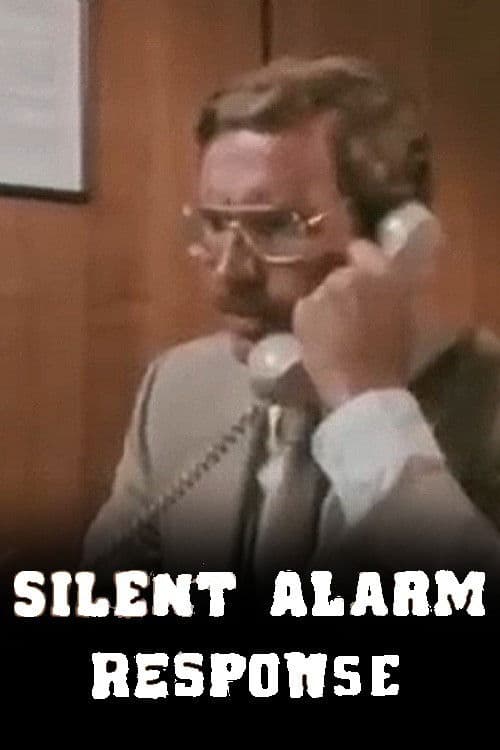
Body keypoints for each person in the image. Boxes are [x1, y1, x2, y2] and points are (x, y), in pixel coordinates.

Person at [82, 56, 500, 584]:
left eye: (278, 226)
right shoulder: (178, 391)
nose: (230, 272)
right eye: (215, 224)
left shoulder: (487, 401)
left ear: (395, 236)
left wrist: (368, 407)